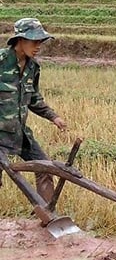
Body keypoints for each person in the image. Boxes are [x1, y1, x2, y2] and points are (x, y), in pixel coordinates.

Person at [0, 18, 67, 202]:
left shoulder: (33, 67)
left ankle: (47, 215)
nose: (38, 46)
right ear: (20, 40)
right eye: (34, 41)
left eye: (41, 42)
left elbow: (34, 98)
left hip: (19, 133)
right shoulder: (1, 62)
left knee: (44, 167)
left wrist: (54, 117)